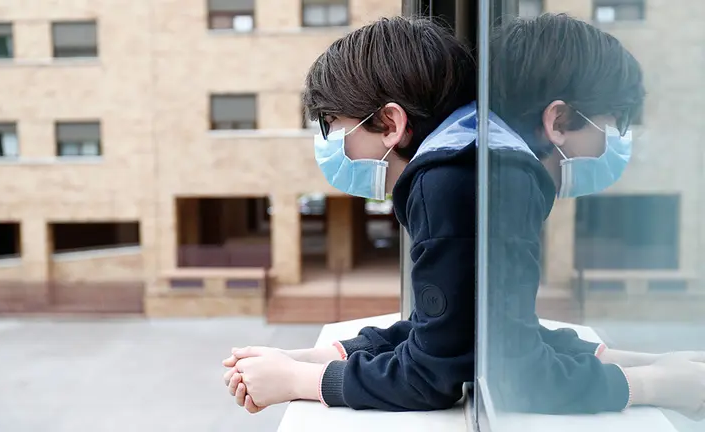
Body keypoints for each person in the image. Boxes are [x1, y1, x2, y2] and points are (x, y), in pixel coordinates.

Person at [222, 14, 705, 418]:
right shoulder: (480, 172)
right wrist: (319, 355)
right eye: (615, 124)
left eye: (336, 128)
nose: (331, 146)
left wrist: (299, 381)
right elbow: (464, 331)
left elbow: (462, 376)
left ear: (390, 123)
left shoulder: (455, 182)